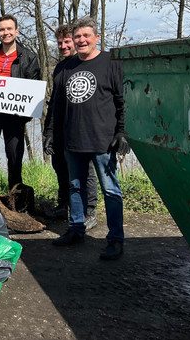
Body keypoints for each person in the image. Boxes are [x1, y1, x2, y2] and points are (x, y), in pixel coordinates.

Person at [46, 17, 130, 260]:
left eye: (86, 36)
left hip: (102, 140)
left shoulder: (111, 63)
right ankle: (76, 228)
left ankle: (115, 239)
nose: (81, 40)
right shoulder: (65, 68)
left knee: (110, 190)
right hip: (73, 139)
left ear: (97, 37)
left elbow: (123, 101)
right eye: (77, 36)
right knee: (75, 186)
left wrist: (122, 132)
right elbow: (56, 105)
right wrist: (50, 133)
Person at [43, 24, 99, 230]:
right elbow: (54, 101)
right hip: (59, 125)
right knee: (59, 165)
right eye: (60, 43)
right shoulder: (59, 68)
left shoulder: (85, 64)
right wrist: (49, 131)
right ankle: (64, 205)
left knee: (86, 170)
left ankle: (89, 210)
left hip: (81, 126)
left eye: (67, 42)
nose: (63, 46)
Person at [0, 14, 41, 187]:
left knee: (14, 157)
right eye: (2, 29)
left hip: (14, 115)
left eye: (9, 29)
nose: (6, 32)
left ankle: (14, 195)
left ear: (16, 31)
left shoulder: (29, 57)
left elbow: (34, 89)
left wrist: (25, 116)